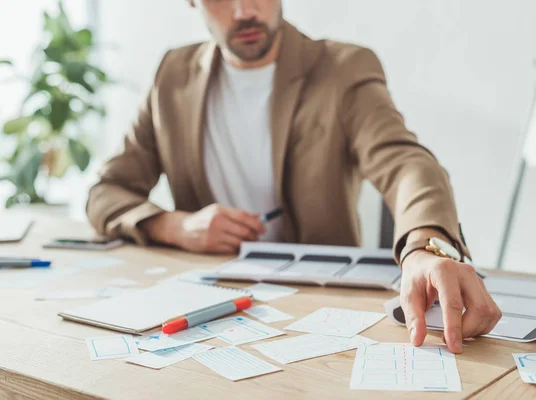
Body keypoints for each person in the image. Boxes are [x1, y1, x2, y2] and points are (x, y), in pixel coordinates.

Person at [87, 0, 501, 353]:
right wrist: (175, 226)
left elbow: (405, 163)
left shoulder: (343, 68)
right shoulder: (172, 74)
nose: (244, 10)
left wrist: (423, 247)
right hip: (206, 312)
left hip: (319, 313)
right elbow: (108, 190)